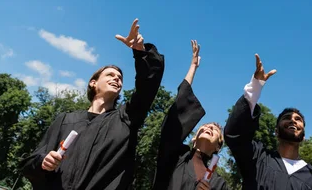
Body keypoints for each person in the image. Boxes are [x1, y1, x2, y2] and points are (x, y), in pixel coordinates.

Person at [19, 18, 165, 190]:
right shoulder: (65, 120)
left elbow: (148, 84)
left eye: (120, 78)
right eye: (110, 75)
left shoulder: (126, 119)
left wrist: (140, 52)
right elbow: (30, 162)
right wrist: (43, 161)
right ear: (93, 83)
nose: (117, 78)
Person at [224, 54, 312, 190]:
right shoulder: (258, 158)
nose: (293, 120)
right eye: (287, 118)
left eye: (298, 119)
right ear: (276, 131)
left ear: (303, 136)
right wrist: (255, 87)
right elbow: (235, 134)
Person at [152, 40, 228, 190]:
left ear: (218, 147)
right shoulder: (175, 156)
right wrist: (193, 67)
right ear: (194, 138)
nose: (209, 128)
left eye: (215, 130)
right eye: (205, 126)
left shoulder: (218, 183)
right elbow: (177, 113)